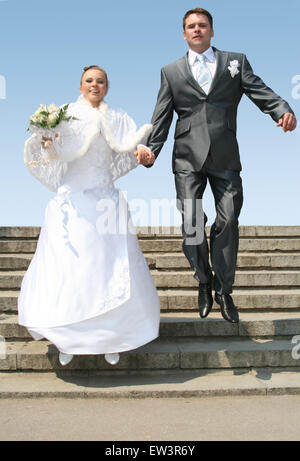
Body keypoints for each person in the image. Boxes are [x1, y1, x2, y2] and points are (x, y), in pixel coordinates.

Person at [136, 8, 297, 324]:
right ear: (184, 33)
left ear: (211, 30)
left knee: (228, 220)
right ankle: (204, 281)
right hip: (186, 158)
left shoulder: (235, 62)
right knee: (193, 223)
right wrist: (151, 150)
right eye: (191, 26)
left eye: (202, 25)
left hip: (225, 155)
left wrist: (281, 110)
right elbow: (161, 116)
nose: (197, 30)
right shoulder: (171, 72)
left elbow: (258, 90)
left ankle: (224, 290)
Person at [18, 65, 160, 367]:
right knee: (70, 271)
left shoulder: (118, 118)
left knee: (109, 270)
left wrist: (142, 153)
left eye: (100, 81)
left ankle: (112, 338)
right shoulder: (64, 115)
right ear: (80, 85)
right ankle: (67, 339)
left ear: (107, 87)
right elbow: (49, 157)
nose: (94, 85)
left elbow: (129, 151)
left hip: (104, 201)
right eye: (89, 80)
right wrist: (47, 142)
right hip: (71, 203)